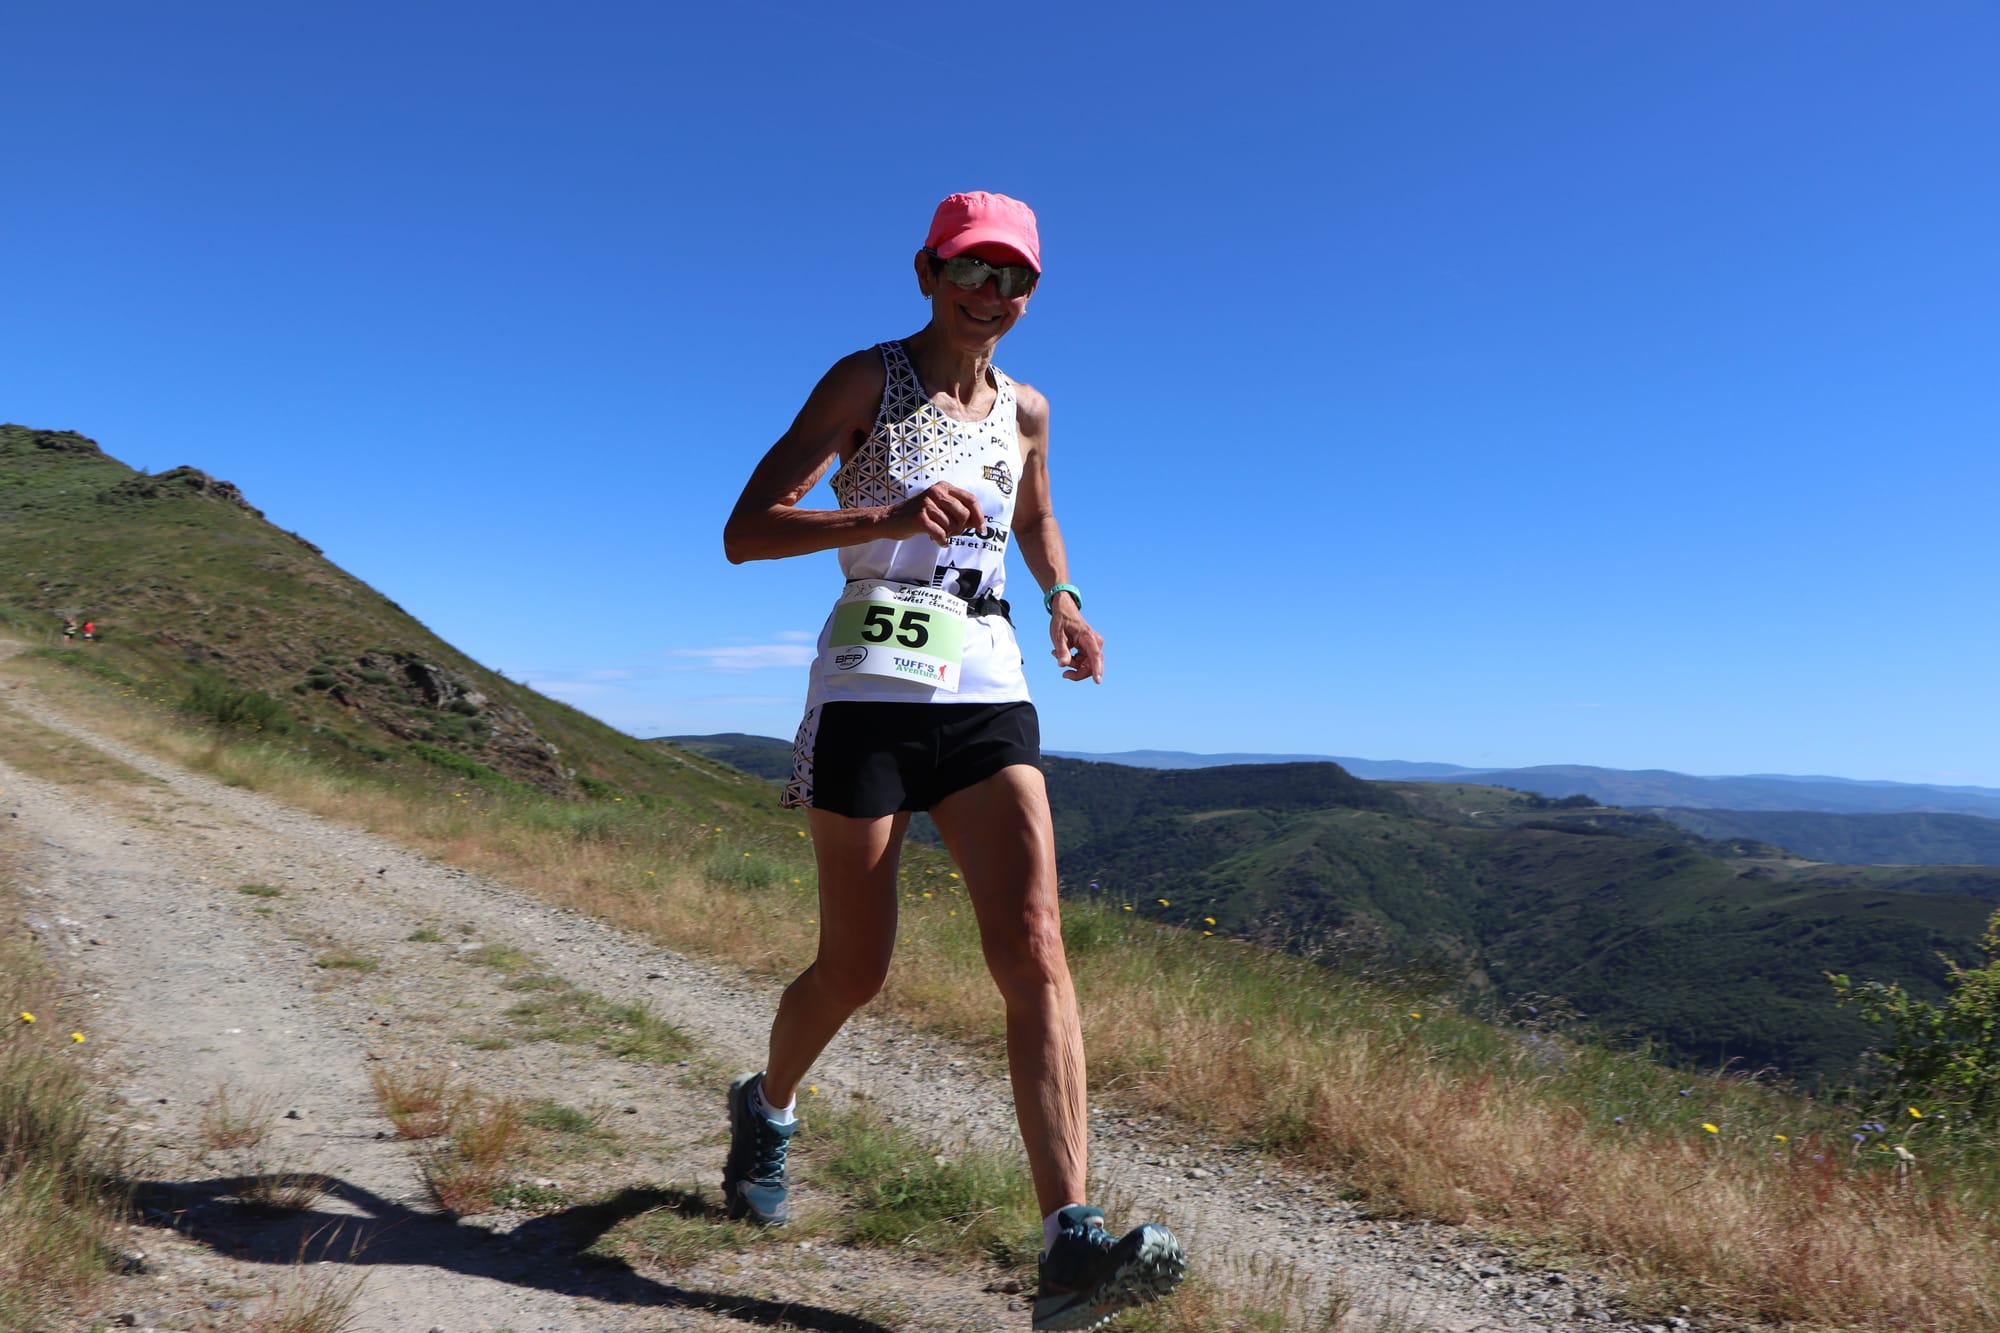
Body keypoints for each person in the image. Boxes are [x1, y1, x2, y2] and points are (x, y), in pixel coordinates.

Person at [722, 191, 1186, 1330]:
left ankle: (1068, 1238)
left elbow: (1035, 517)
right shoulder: (863, 380)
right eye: (972, 271)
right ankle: (767, 1105)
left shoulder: (1026, 406)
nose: (991, 295)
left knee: (1033, 944)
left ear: (1030, 295)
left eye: (1013, 279)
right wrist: (873, 512)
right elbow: (747, 528)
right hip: (868, 693)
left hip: (985, 680)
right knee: (856, 968)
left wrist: (1064, 598)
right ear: (927, 270)